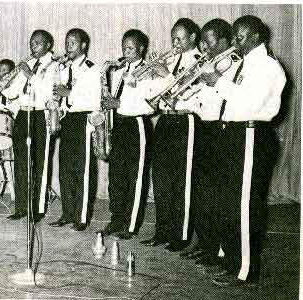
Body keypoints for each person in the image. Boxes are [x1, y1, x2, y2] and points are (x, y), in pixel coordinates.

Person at [199, 15, 286, 286]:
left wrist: (219, 83)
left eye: (241, 37)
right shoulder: (244, 63)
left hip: (251, 133)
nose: (235, 42)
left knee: (245, 205)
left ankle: (246, 270)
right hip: (234, 133)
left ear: (257, 37)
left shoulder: (268, 66)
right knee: (229, 202)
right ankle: (231, 262)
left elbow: (251, 103)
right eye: (235, 36)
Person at [178, 19, 242, 273]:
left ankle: (220, 249)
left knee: (218, 195)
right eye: (202, 40)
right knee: (202, 192)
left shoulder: (233, 62)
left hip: (221, 131)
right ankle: (206, 243)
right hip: (204, 128)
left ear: (225, 39)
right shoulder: (210, 62)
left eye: (209, 40)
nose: (204, 45)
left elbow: (226, 98)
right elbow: (201, 100)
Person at [140, 18, 202, 251]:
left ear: (193, 38)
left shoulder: (198, 61)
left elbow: (186, 93)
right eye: (173, 38)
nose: (175, 43)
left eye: (180, 38)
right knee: (162, 179)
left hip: (186, 120)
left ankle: (181, 235)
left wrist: (165, 74)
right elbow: (156, 95)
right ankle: (162, 231)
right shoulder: (172, 59)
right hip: (165, 120)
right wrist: (152, 75)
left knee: (182, 181)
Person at [101, 29, 164, 240]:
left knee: (135, 177)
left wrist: (118, 103)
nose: (125, 51)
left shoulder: (148, 71)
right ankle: (116, 219)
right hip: (119, 125)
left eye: (130, 48)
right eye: (123, 47)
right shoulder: (119, 70)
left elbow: (150, 104)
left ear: (141, 49)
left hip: (137, 124)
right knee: (116, 177)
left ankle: (130, 225)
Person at [48, 28, 101, 231]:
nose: (68, 46)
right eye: (67, 42)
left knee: (83, 170)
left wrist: (68, 93)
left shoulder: (91, 69)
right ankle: (67, 213)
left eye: (73, 42)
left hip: (84, 120)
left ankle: (81, 217)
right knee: (66, 170)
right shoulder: (64, 68)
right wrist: (57, 108)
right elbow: (60, 96)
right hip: (68, 120)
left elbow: (94, 99)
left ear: (83, 45)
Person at [2, 30, 57, 221]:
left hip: (41, 114)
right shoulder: (29, 63)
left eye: (38, 43)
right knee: (21, 163)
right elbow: (13, 92)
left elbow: (47, 93)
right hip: (23, 113)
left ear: (48, 45)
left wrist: (29, 74)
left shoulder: (54, 65)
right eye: (31, 43)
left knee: (40, 163)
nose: (33, 47)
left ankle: (38, 207)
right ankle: (21, 206)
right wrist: (6, 83)